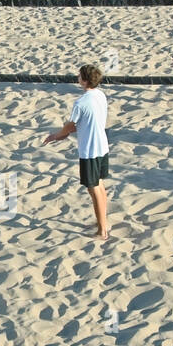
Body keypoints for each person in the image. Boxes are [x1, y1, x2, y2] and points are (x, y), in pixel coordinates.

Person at [44, 64, 110, 241]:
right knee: (100, 185)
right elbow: (84, 123)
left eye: (80, 76)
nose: (77, 77)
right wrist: (66, 133)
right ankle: (103, 222)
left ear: (85, 80)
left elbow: (70, 126)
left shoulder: (80, 103)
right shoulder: (101, 95)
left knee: (93, 188)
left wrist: (57, 136)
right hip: (103, 145)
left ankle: (102, 231)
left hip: (90, 149)